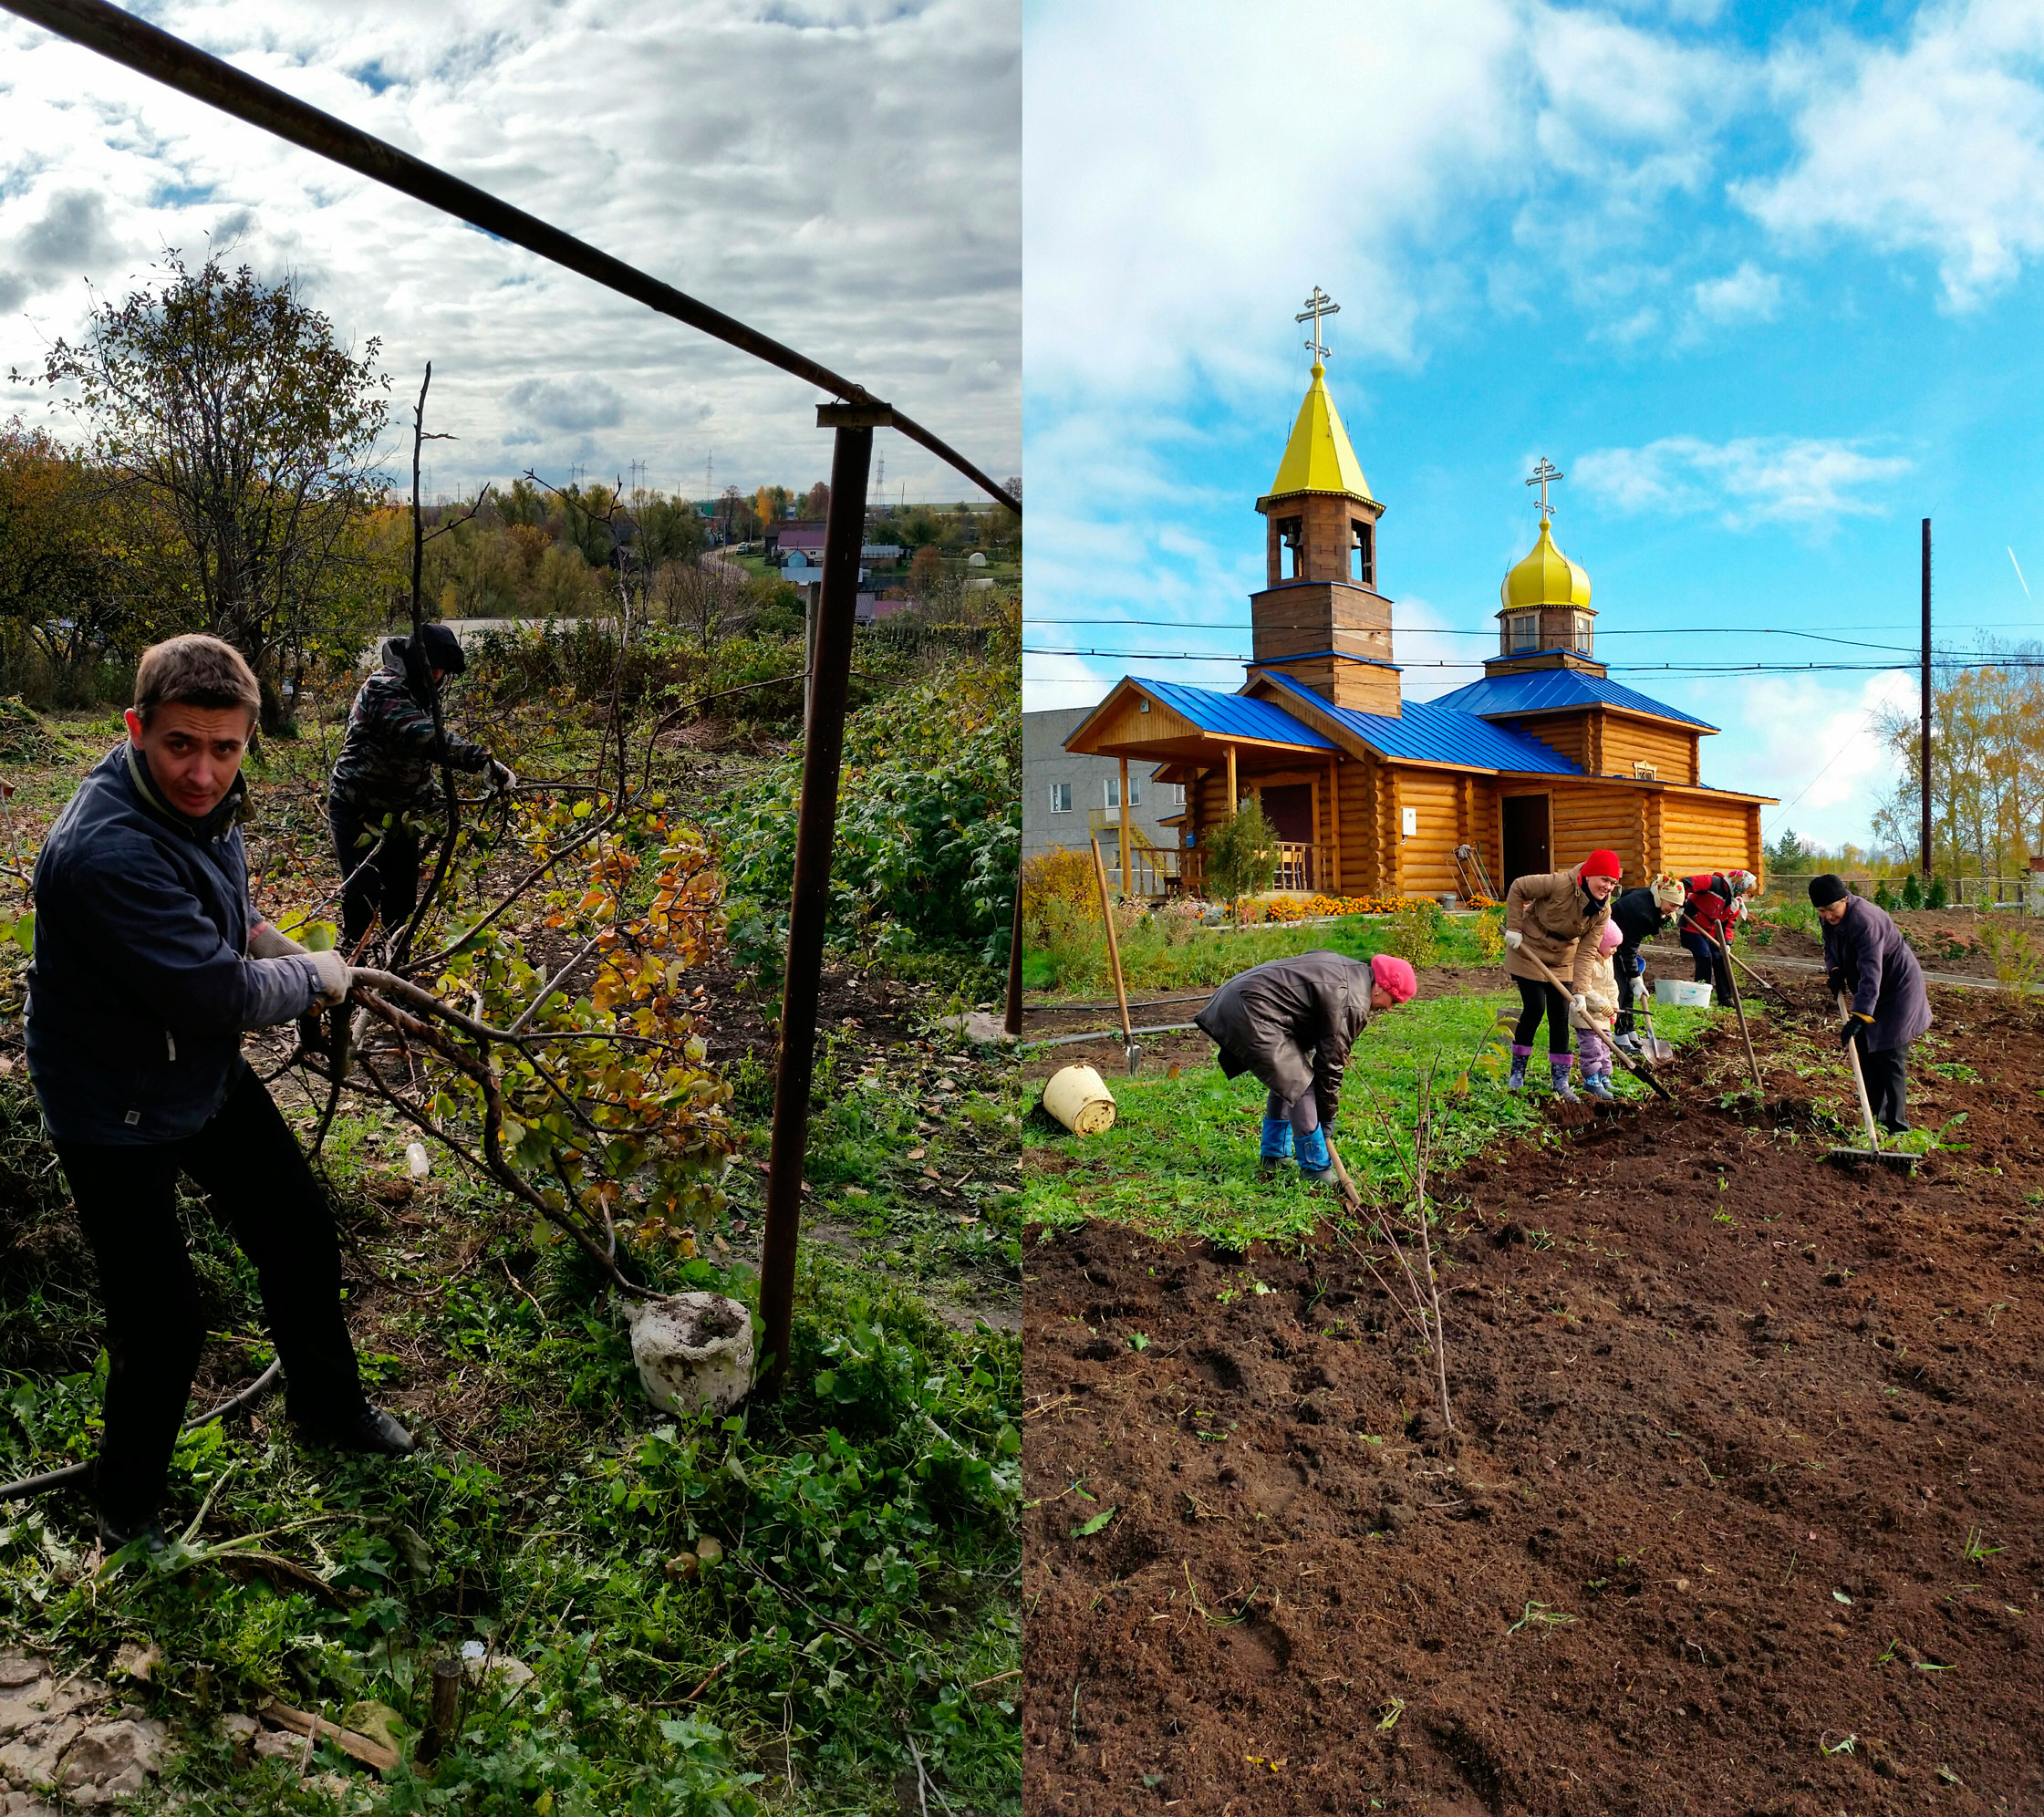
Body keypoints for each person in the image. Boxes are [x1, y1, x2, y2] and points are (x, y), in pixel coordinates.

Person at [26, 636, 417, 1553]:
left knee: (296, 1229)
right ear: (136, 730)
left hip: (190, 1068)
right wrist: (319, 976)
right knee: (163, 1322)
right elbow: (218, 993)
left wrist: (283, 944)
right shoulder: (102, 853)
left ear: (248, 739)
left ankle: (327, 1408)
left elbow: (225, 918)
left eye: (225, 749)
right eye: (180, 747)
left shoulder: (204, 802)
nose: (203, 772)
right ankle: (126, 1509)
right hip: (110, 1102)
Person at [327, 623, 514, 950]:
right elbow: (421, 736)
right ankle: (350, 980)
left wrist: (437, 804)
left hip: (401, 816)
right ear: (416, 660)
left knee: (400, 905)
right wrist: (481, 759)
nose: (438, 674)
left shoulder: (422, 691)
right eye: (433, 666)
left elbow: (413, 764)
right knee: (363, 898)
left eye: (442, 669)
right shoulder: (383, 688)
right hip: (356, 809)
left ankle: (395, 976)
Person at [1194, 950, 1417, 1183]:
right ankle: (1316, 1168)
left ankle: (1274, 1154)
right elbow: (1330, 1064)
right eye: (1393, 1001)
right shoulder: (1352, 1001)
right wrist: (1327, 1118)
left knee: (1289, 1076)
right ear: (1379, 987)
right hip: (1252, 1009)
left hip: (1246, 999)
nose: (1390, 1009)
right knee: (1300, 1082)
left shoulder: (1352, 973)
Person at [1811, 872, 1931, 1134]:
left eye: (1832, 909)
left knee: (1889, 1055)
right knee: (1866, 1051)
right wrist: (1834, 970)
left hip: (1897, 990)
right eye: (1821, 911)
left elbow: (1871, 970)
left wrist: (1860, 1015)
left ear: (1845, 898)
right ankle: (1876, 1118)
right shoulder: (1829, 919)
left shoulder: (1865, 920)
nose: (1828, 916)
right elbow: (1830, 948)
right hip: (1871, 989)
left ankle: (1897, 1127)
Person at [1503, 848, 1621, 1102]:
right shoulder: (1558, 883)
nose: (1608, 887)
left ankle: (1560, 1081)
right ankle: (1517, 1072)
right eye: (1604, 879)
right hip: (1529, 949)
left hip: (1563, 958)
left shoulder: (1603, 911)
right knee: (1535, 1007)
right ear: (1589, 874)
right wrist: (1514, 928)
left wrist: (1579, 990)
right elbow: (1518, 887)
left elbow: (1588, 951)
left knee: (1560, 1013)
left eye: (1613, 883)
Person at [1609, 872, 1685, 1052]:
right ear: (1662, 897)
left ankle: (1629, 1031)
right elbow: (1629, 948)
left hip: (1621, 941)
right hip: (1607, 943)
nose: (1674, 909)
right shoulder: (1642, 912)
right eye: (1672, 905)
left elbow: (1626, 894)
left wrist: (1633, 978)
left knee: (1627, 989)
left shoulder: (1651, 896)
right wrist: (1636, 978)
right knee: (1621, 987)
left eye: (1678, 907)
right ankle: (1620, 1036)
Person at [1677, 869, 1755, 1005]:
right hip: (1692, 927)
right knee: (1705, 956)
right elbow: (1685, 883)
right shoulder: (1713, 883)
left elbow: (1729, 926)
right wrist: (1680, 904)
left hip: (1711, 933)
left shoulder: (1734, 903)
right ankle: (1700, 995)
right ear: (1739, 883)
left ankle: (1725, 997)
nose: (1744, 893)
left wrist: (1727, 944)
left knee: (1721, 958)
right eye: (1745, 889)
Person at [1572, 919, 1624, 1101]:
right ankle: (1592, 1081)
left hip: (1604, 1014)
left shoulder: (1608, 961)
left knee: (1605, 1046)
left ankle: (1604, 1077)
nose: (1614, 950)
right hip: (1586, 1014)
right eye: (1612, 946)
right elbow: (1584, 988)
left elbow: (1611, 985)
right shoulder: (1586, 961)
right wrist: (1602, 1004)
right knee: (1592, 1048)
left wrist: (1614, 1005)